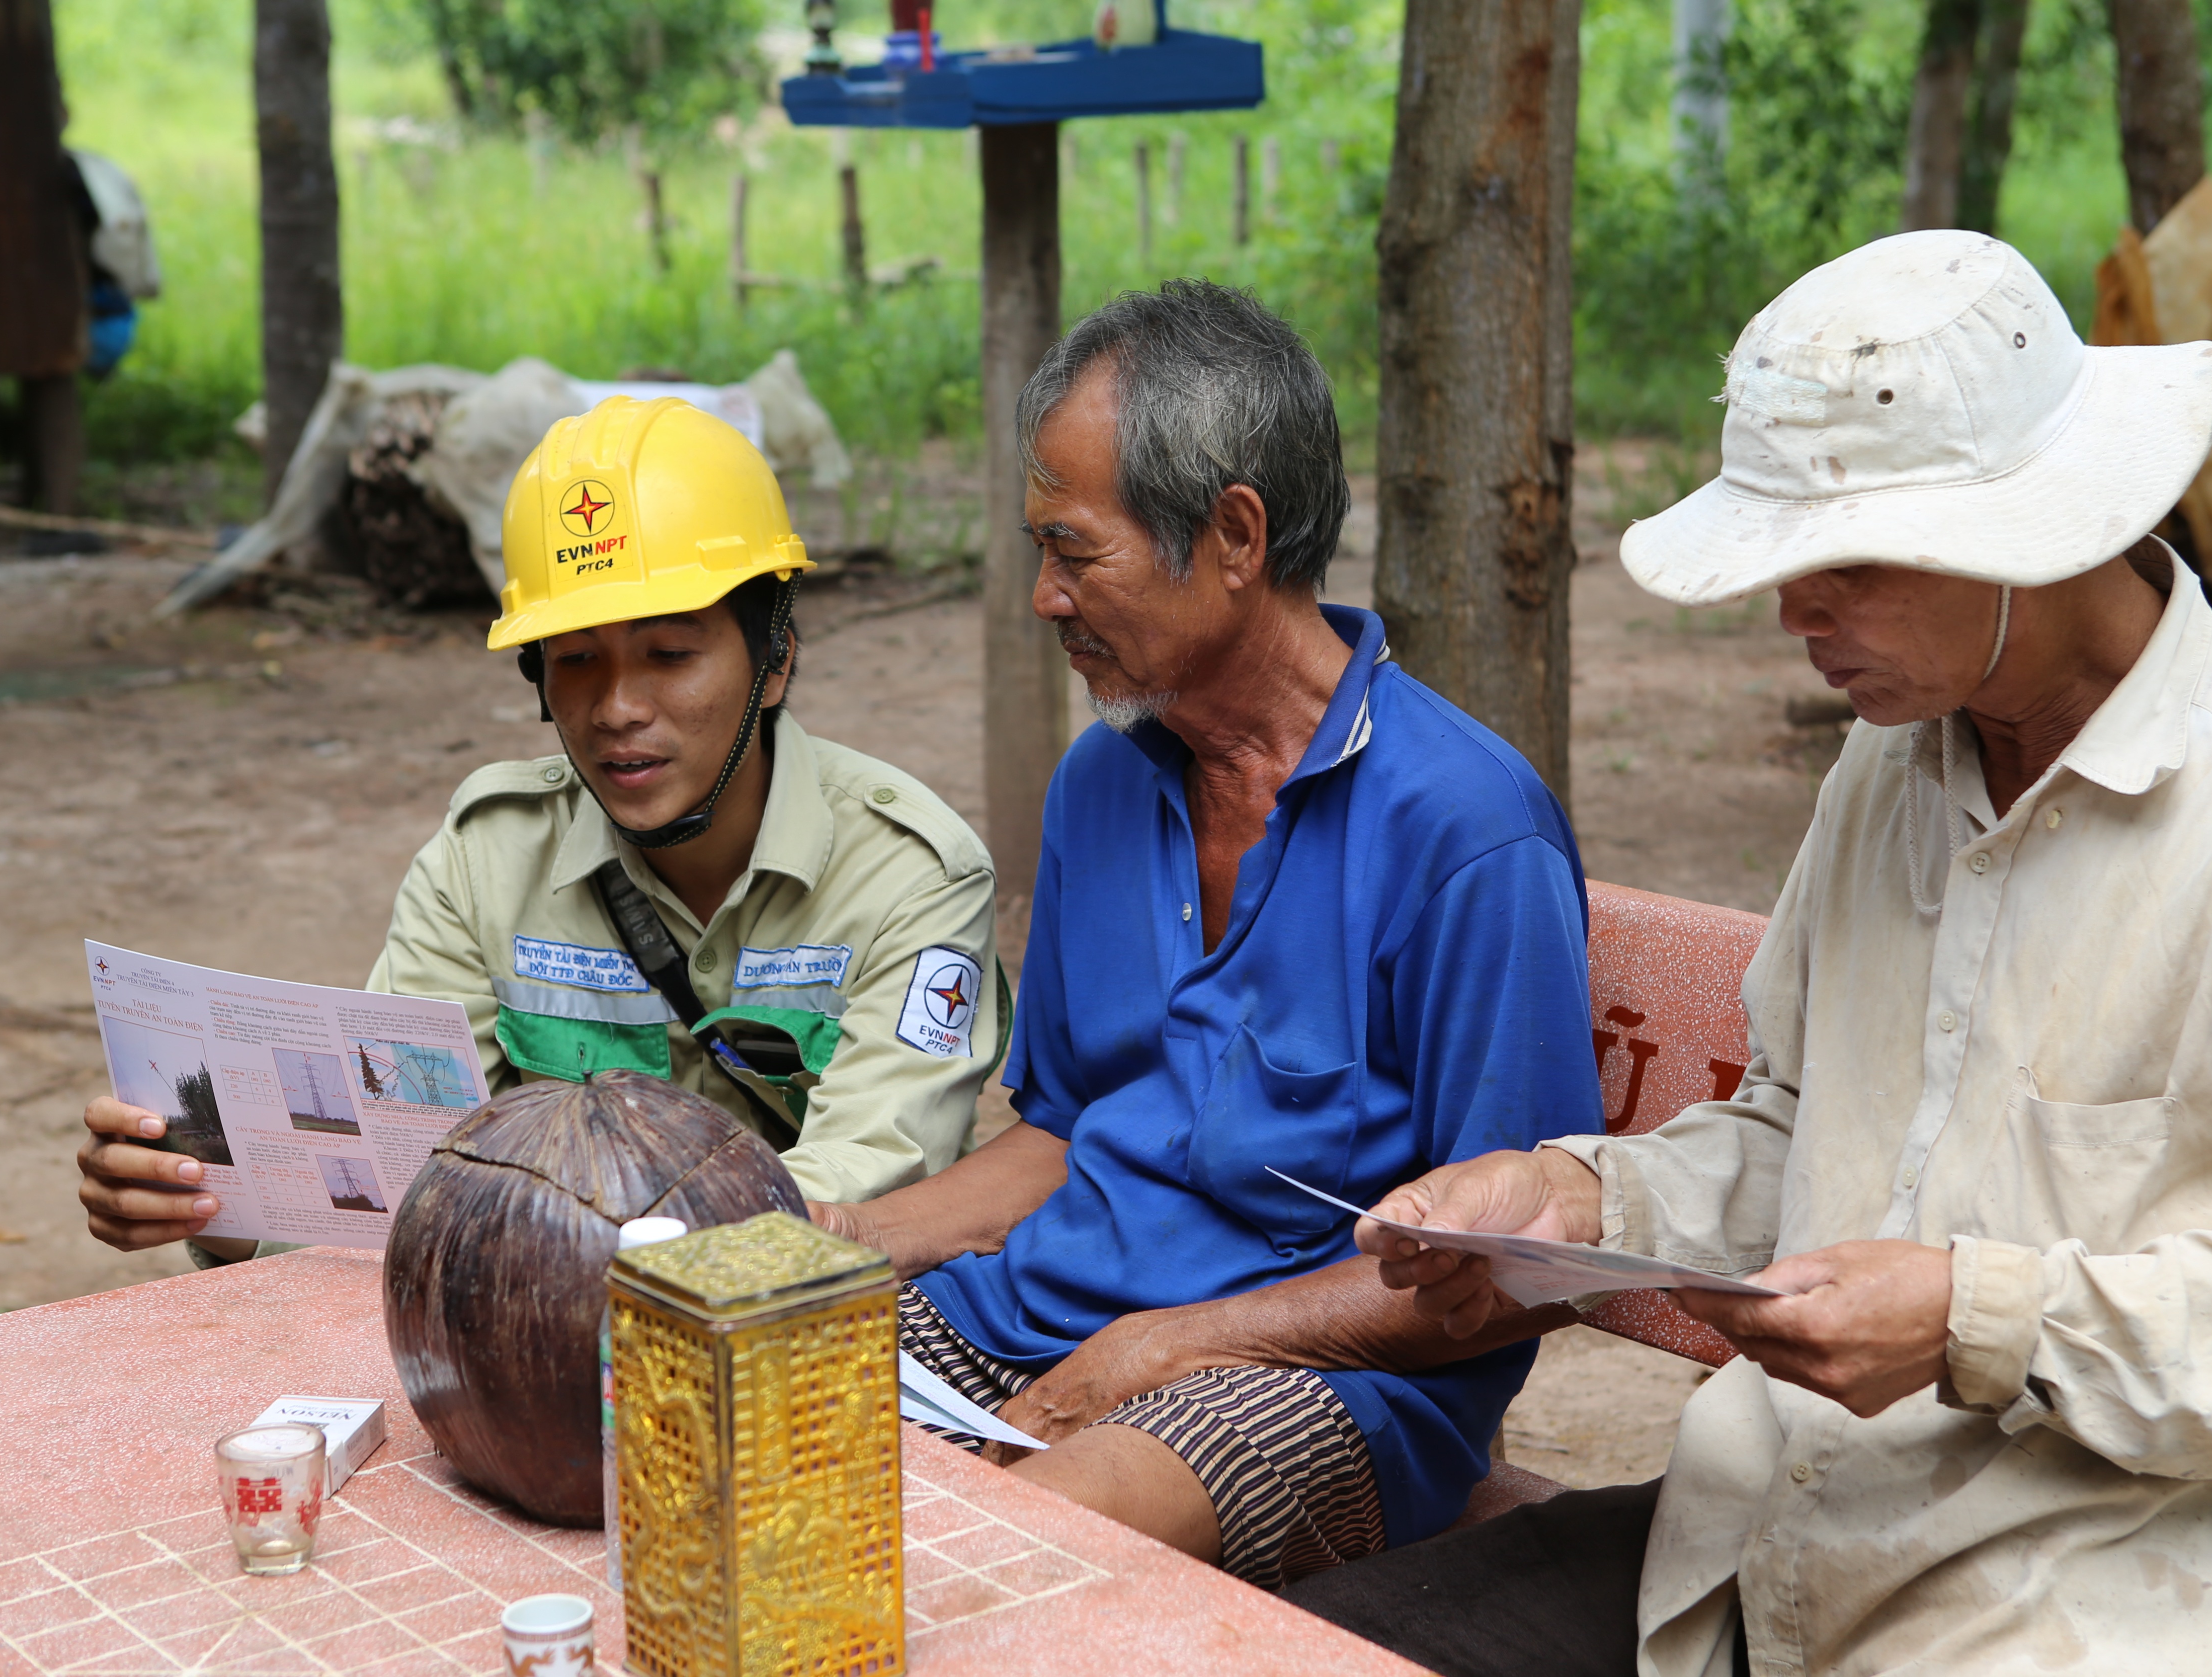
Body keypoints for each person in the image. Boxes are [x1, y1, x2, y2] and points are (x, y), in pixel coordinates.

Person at [1296, 230, 2212, 1674]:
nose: (1794, 613)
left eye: (1845, 566)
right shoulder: (1892, 767)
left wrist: (1982, 1319)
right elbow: (1805, 1137)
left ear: (2030, 535)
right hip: (1774, 1533)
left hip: (2106, 1587)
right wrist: (1577, 1201)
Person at [813, 279, 1602, 1591]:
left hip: (1318, 1378)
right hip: (1033, 1316)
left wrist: (1164, 1348)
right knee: (700, 1413)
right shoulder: (1101, 784)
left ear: (1234, 534)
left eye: (1075, 553)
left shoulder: (1466, 829)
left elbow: (1510, 1271)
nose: (1045, 598)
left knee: (994, 1560)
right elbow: (1066, 1129)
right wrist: (849, 1233)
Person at [77, 395, 1003, 1263]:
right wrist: (216, 1202)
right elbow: (388, 1169)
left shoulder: (910, 875)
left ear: (776, 661)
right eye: (576, 659)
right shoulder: (486, 861)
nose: (618, 707)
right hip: (528, 1325)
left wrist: (573, 1254)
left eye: (670, 653)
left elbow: (865, 1183)